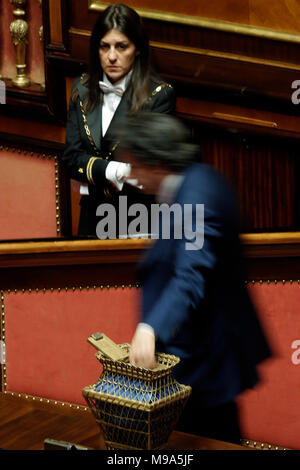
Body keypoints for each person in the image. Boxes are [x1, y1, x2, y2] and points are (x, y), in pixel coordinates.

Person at [114, 112, 272, 444]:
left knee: (208, 438)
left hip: (202, 366)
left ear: (155, 162)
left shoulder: (198, 198)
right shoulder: (198, 180)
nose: (130, 175)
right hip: (195, 362)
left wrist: (150, 327)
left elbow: (191, 273)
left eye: (134, 165)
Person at [62, 4, 176, 238]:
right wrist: (116, 169)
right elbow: (71, 160)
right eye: (105, 47)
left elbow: (150, 171)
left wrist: (93, 173)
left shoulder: (159, 95)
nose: (112, 56)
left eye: (121, 47)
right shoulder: (81, 88)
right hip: (91, 218)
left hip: (137, 219)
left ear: (137, 50)